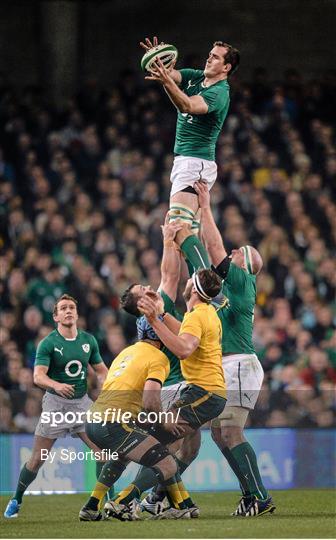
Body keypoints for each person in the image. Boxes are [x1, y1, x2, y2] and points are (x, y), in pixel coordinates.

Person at [187, 181, 275, 517]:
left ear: (245, 264)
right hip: (232, 363)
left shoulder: (240, 279)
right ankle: (250, 494)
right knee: (219, 434)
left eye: (239, 252)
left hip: (238, 362)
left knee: (231, 431)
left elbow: (213, 246)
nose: (233, 252)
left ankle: (260, 496)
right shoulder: (236, 286)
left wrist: (205, 206)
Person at [110, 267, 226, 517]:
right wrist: (161, 314)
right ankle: (177, 503)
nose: (184, 282)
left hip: (204, 391)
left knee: (160, 444)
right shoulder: (204, 312)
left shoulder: (196, 315)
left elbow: (184, 348)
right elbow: (182, 329)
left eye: (189, 280)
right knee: (177, 447)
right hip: (204, 390)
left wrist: (153, 320)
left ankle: (126, 498)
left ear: (194, 288)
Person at [78, 288, 195, 521]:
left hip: (94, 420)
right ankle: (122, 503)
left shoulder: (126, 352)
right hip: (114, 423)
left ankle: (91, 506)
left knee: (122, 455)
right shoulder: (159, 358)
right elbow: (151, 401)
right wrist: (165, 423)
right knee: (168, 461)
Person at [4, 294, 108, 519]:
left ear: (77, 314)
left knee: (103, 452)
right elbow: (38, 376)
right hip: (55, 406)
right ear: (56, 316)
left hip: (81, 404)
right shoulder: (49, 343)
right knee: (37, 459)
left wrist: (107, 385)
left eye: (72, 307)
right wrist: (56, 385)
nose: (68, 311)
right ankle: (17, 498)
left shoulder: (88, 340)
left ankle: (104, 504)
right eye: (63, 308)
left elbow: (101, 370)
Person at [140, 36, 240, 238]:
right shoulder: (196, 77)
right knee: (185, 232)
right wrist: (158, 60)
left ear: (226, 68)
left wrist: (166, 81)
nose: (208, 59)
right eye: (209, 55)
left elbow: (187, 105)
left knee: (177, 230)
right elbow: (168, 75)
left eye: (215, 58)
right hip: (187, 162)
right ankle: (199, 271)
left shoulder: (219, 93)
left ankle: (202, 270)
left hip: (195, 163)